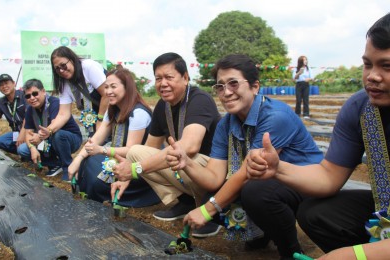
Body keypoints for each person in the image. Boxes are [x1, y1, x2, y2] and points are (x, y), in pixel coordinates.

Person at [246, 12, 390, 259]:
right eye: (368, 64)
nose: (372, 76)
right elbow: (328, 176)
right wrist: (278, 168)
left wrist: (351, 255)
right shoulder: (361, 109)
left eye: (386, 66)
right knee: (317, 213)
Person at [168, 54, 323, 259]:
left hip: (306, 182)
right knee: (213, 195)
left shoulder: (275, 117)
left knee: (255, 192)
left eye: (233, 83)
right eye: (220, 86)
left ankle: (290, 251)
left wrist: (207, 211)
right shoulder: (226, 124)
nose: (226, 92)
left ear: (255, 86)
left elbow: (248, 173)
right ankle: (265, 232)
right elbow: (214, 178)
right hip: (269, 180)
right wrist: (187, 163)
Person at [111, 52, 221, 237]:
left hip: (211, 169)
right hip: (186, 168)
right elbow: (149, 149)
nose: (163, 83)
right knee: (136, 152)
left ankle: (210, 210)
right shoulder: (162, 106)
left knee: (174, 156)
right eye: (158, 78)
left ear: (185, 77)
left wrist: (136, 169)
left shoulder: (199, 99)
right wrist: (127, 175)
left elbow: (190, 146)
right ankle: (184, 201)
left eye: (169, 77)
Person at [68, 68, 160, 207]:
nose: (108, 91)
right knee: (86, 163)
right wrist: (78, 159)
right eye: (106, 87)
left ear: (127, 87)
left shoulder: (138, 113)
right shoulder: (113, 109)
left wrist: (102, 150)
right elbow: (97, 138)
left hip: (138, 167)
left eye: (113, 86)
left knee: (96, 182)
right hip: (119, 158)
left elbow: (131, 151)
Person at [17, 79, 82, 180]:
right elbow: (28, 132)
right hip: (47, 139)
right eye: (28, 96)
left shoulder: (55, 103)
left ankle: (67, 168)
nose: (32, 98)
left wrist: (38, 137)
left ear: (43, 91)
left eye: (35, 94)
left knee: (58, 135)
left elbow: (54, 127)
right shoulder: (30, 109)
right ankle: (56, 164)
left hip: (69, 139)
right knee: (23, 149)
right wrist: (32, 148)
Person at [49, 46, 108, 139]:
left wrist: (100, 119)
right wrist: (48, 130)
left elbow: (107, 94)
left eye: (63, 65)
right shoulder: (63, 84)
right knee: (92, 149)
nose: (61, 70)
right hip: (94, 119)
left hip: (111, 112)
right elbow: (63, 114)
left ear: (71, 59)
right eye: (57, 68)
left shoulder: (88, 67)